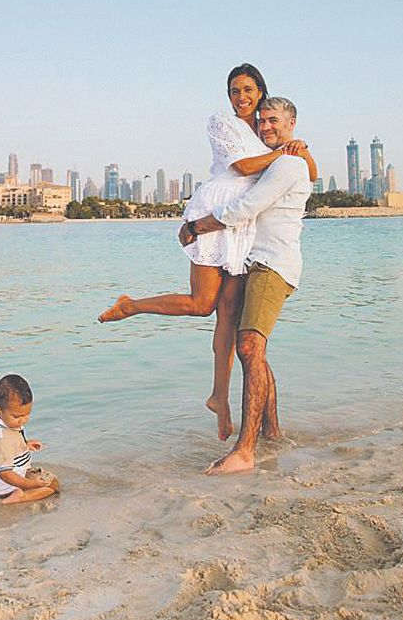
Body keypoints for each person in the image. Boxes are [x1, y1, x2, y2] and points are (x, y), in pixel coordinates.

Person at [98, 66, 317, 441]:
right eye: (234, 91)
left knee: (230, 314)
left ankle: (221, 398)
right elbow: (243, 166)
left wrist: (296, 150)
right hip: (216, 212)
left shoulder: (269, 128)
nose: (241, 97)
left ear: (261, 91)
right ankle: (132, 305)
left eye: (248, 89)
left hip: (246, 226)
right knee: (203, 303)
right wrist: (285, 151)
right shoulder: (224, 124)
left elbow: (307, 171)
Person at [178, 97, 311, 475]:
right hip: (257, 264)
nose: (267, 126)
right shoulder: (276, 162)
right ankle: (271, 431)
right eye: (263, 120)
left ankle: (245, 450)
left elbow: (246, 208)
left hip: (273, 265)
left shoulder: (287, 164)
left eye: (274, 120)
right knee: (255, 352)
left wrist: (197, 226)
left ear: (292, 123)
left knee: (250, 346)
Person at [0, 374, 60, 504]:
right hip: (6, 487)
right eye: (17, 416)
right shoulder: (2, 439)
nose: (23, 420)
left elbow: (8, 446)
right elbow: (5, 473)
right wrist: (30, 484)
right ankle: (21, 497)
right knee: (53, 485)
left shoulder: (2, 421)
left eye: (27, 414)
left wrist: (24, 444)